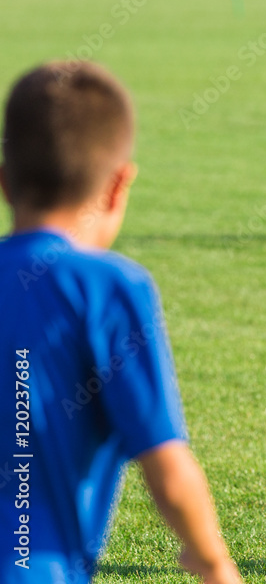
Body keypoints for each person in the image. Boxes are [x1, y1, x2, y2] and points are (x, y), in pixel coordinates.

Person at [0, 62, 242, 584]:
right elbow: (168, 472)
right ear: (117, 185)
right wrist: (215, 563)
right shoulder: (108, 288)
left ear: (4, 182)